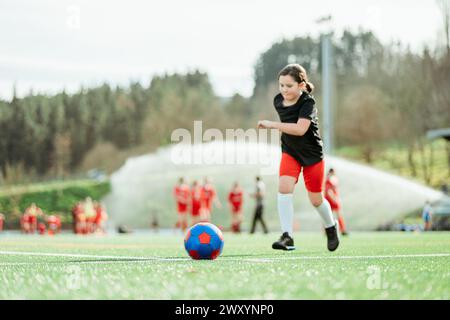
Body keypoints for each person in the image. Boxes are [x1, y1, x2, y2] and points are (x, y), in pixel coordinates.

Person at [257, 63, 339, 252]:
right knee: (284, 189)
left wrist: (272, 125)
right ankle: (288, 236)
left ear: (301, 85)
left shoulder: (308, 103)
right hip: (290, 152)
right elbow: (290, 128)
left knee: (316, 200)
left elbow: (301, 129)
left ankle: (331, 227)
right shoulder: (278, 100)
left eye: (289, 86)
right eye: (281, 85)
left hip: (312, 156)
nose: (284, 90)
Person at [324, 168, 348, 236]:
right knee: (334, 215)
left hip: (332, 199)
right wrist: (334, 199)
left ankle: (341, 229)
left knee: (332, 215)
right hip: (331, 200)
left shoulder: (332, 179)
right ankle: (340, 230)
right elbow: (329, 191)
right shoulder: (329, 180)